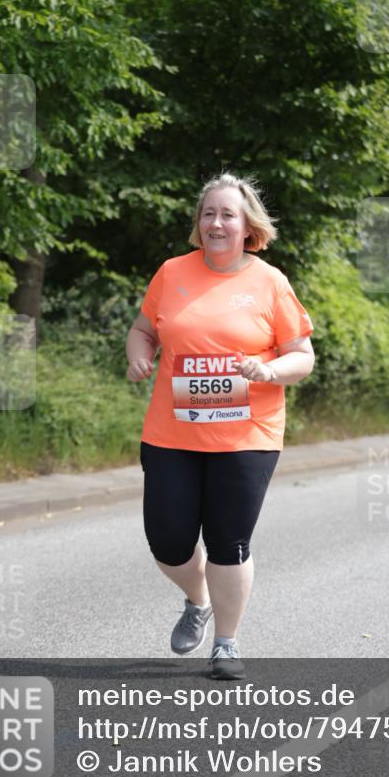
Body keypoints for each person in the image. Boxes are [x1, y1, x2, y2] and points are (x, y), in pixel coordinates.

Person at [125, 172, 314, 680]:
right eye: (209, 213)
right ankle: (198, 597)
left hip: (247, 434)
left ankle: (226, 645)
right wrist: (138, 356)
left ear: (247, 225)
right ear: (198, 222)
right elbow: (143, 330)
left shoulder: (270, 282)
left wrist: (269, 370)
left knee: (229, 542)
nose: (216, 222)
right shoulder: (171, 273)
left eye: (228, 214)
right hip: (171, 433)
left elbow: (303, 356)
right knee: (167, 541)